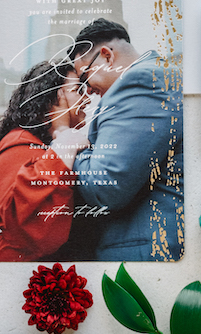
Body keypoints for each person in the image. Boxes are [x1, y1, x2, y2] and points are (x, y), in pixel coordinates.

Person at [66, 19, 184, 261]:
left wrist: (69, 144)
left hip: (146, 251)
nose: (87, 91)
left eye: (85, 78)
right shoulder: (154, 78)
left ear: (107, 56)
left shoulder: (141, 82)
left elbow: (105, 187)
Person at [0, 61, 89, 262]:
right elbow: (29, 228)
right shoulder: (18, 143)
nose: (87, 98)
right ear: (52, 98)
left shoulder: (46, 145)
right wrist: (64, 139)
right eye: (78, 90)